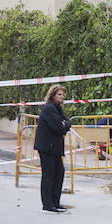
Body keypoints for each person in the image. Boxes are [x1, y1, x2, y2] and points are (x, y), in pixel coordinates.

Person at [33, 84, 71, 213]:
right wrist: (63, 125)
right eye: (59, 94)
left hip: (55, 147)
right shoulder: (49, 108)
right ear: (53, 95)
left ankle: (56, 202)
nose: (62, 97)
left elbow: (67, 122)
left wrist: (64, 124)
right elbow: (57, 127)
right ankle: (47, 204)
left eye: (63, 94)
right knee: (48, 175)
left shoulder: (57, 108)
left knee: (59, 173)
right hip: (46, 146)